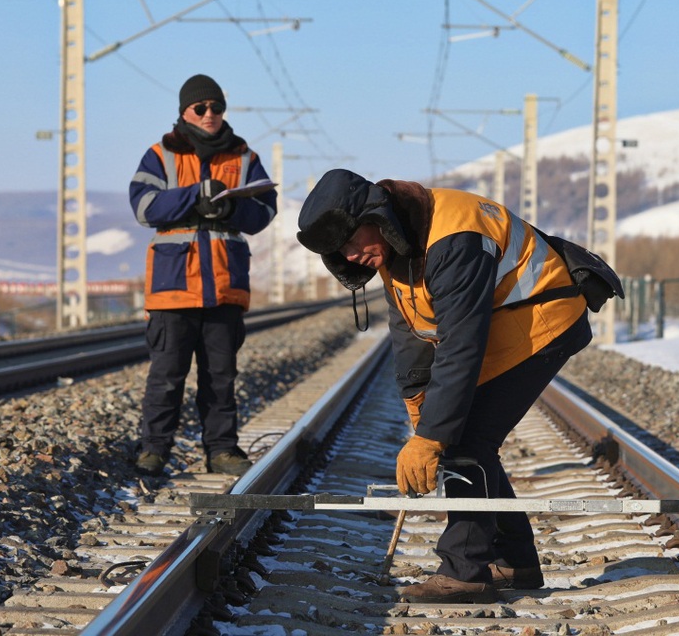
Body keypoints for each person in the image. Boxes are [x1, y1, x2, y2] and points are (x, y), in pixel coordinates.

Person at [296, 168, 595, 604]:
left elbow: (460, 346)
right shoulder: (396, 244)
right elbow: (410, 331)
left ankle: (466, 570)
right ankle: (515, 561)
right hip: (506, 323)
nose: (350, 254)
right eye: (339, 249)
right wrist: (420, 408)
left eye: (351, 240)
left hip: (544, 321)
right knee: (465, 436)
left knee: (467, 440)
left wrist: (433, 437)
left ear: (375, 217)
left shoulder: (455, 235)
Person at [128, 73, 277, 476]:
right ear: (184, 112)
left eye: (217, 107)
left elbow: (264, 211)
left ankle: (222, 450)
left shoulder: (244, 157)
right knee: (166, 377)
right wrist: (194, 195)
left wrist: (230, 209)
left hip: (225, 285)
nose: (210, 114)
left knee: (221, 377)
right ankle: (154, 450)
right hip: (174, 287)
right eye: (201, 108)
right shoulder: (161, 154)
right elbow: (144, 208)